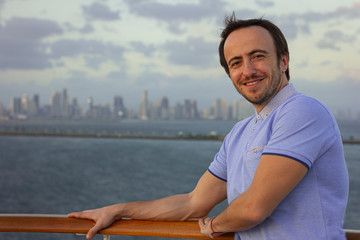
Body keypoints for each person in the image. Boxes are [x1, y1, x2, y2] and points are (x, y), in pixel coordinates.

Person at [69, 15, 349, 240]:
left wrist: (213, 226)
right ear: (230, 74)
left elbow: (253, 209)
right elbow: (193, 203)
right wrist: (119, 210)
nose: (248, 70)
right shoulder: (240, 132)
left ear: (284, 61)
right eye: (236, 63)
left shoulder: (303, 111)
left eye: (258, 56)